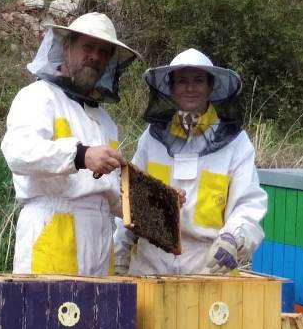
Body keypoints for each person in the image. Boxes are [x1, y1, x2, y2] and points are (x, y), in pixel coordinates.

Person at [1, 12, 140, 275]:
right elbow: (18, 152)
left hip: (100, 238)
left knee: (100, 317)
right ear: (67, 47)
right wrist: (80, 155)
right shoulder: (38, 96)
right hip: (53, 227)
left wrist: (153, 206)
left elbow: (107, 192)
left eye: (103, 51)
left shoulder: (105, 121)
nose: (95, 56)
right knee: (47, 316)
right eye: (87, 47)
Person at [114, 48, 266, 275]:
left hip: (208, 264)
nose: (190, 88)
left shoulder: (235, 142)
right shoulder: (152, 137)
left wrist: (234, 238)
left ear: (210, 87)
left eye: (198, 80)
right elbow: (131, 196)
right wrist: (120, 251)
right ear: (172, 87)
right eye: (182, 81)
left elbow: (248, 202)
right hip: (151, 262)